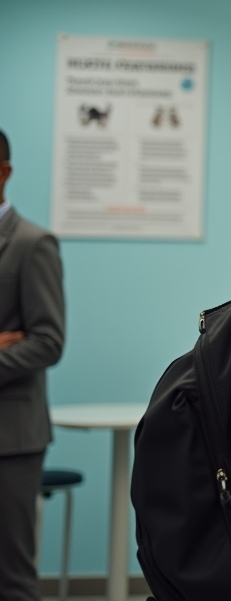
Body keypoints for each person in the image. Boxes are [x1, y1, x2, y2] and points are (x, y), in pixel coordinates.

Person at [0, 128, 67, 601]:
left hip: (11, 438)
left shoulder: (32, 243)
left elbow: (47, 341)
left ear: (3, 174)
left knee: (12, 576)